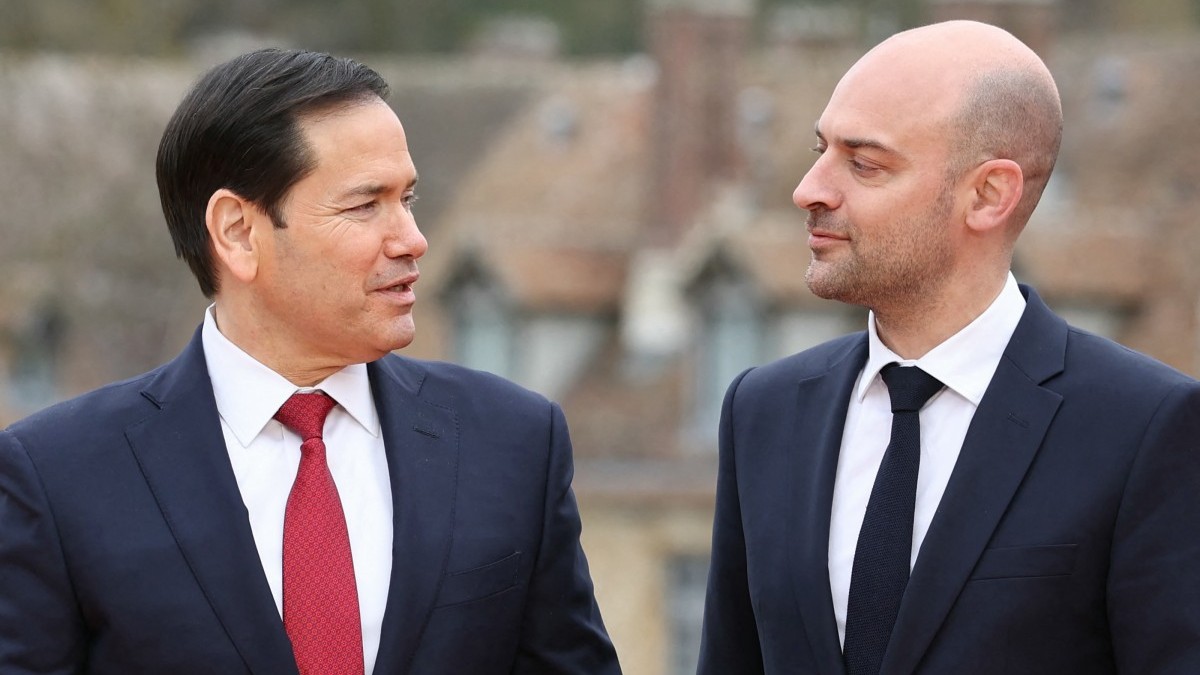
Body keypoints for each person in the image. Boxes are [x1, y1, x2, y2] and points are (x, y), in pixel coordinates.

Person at [0, 48, 621, 675]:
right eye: (364, 205)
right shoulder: (59, 479)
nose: (411, 239)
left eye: (408, 199)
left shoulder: (513, 442)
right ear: (238, 231)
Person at [698, 20, 1200, 675]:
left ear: (989, 195)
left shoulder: (1145, 428)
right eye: (820, 149)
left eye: (864, 163)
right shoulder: (762, 409)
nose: (810, 189)